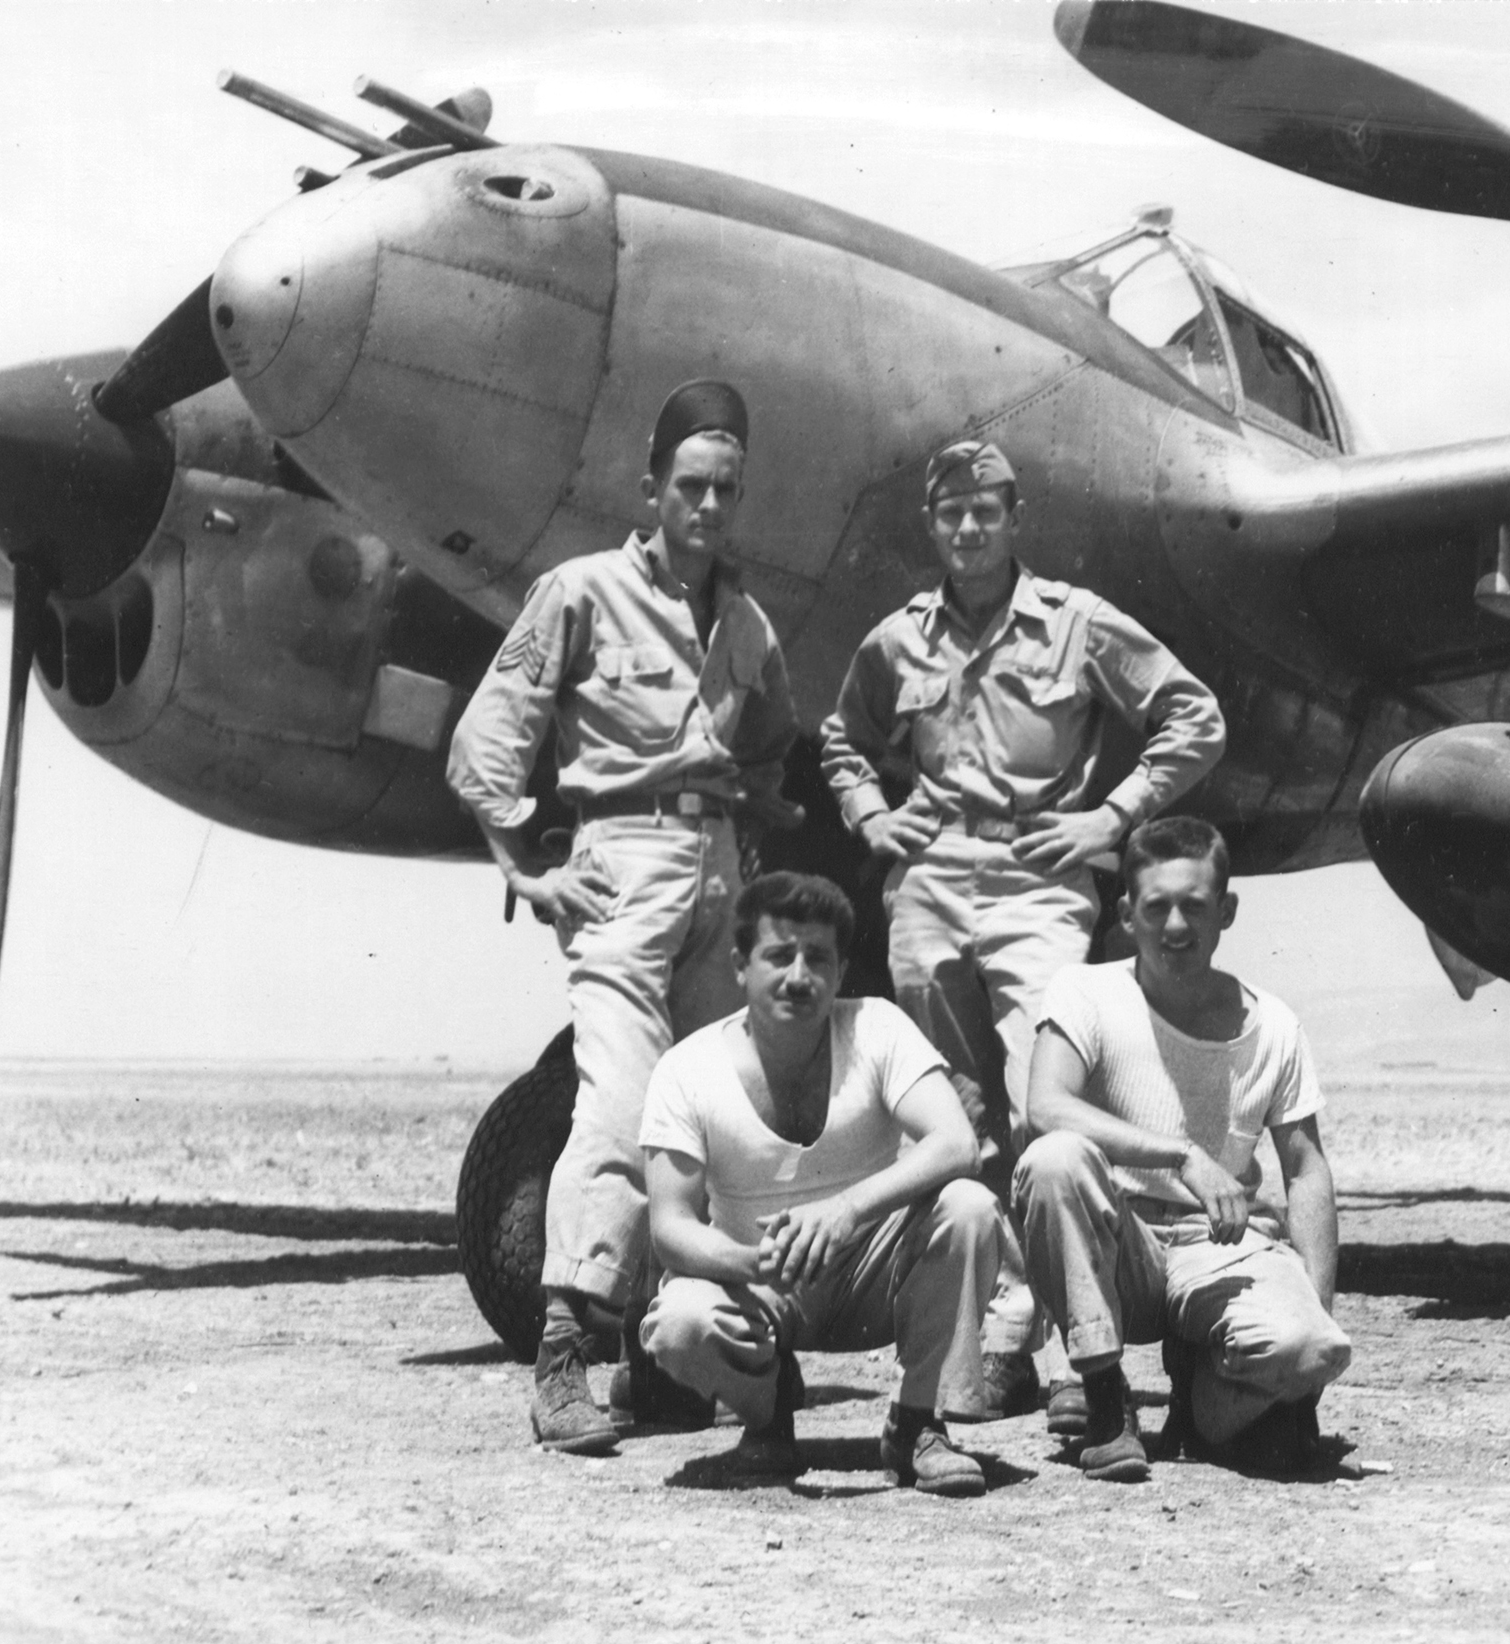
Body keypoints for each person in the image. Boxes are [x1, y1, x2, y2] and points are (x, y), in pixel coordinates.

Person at [819, 438, 1226, 1418]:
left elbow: (1191, 715)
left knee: (1039, 1096)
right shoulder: (897, 638)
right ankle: (1004, 1332)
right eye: (949, 513)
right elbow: (843, 735)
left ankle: (1084, 1335)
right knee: (955, 1112)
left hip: (1036, 883)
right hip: (928, 887)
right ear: (932, 524)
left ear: (1013, 519)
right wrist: (872, 817)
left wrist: (1110, 818)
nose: (967, 528)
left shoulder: (1076, 624)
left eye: (985, 511)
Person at [447, 380, 801, 1455]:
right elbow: (486, 742)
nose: (706, 504)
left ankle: (660, 1362)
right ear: (649, 490)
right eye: (688, 485)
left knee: (712, 1119)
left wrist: (754, 842)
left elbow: (774, 745)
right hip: (621, 863)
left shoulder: (745, 623)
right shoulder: (579, 591)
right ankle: (564, 1347)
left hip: (718, 879)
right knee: (616, 1104)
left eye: (724, 488)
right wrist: (527, 868)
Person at [639, 872, 999, 1497]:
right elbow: (670, 1226)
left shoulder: (877, 1028)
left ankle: (918, 1422)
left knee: (970, 1207)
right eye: (779, 955)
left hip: (867, 1269)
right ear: (739, 965)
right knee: (679, 1324)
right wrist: (753, 1261)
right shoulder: (687, 1069)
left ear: (840, 970)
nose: (799, 976)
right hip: (760, 1280)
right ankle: (766, 1413)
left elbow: (955, 1141)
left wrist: (846, 1209)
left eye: (818, 958)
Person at [1015, 815, 1351, 1483]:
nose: (1175, 926)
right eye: (1156, 906)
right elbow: (1046, 1105)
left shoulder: (1274, 1025)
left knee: (1313, 1349)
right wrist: (1180, 1155)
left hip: (1219, 1245)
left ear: (1225, 910)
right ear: (1125, 914)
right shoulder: (1085, 992)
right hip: (1118, 1244)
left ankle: (1198, 1409)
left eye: (1194, 906)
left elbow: (1307, 1171)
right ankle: (1106, 1401)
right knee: (1054, 1160)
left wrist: (1310, 1326)